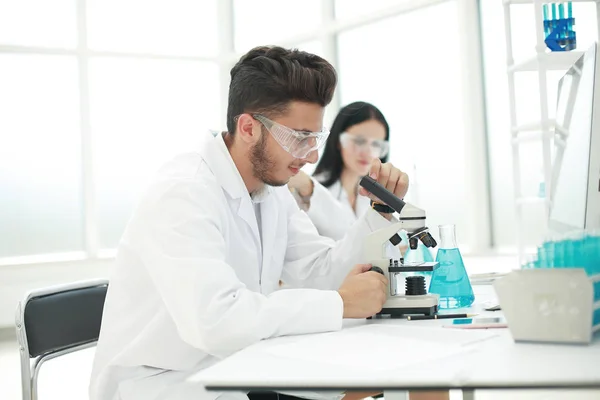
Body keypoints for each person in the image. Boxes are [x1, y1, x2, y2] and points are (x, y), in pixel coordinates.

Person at [89, 46, 409, 400]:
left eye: (315, 138)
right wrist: (339, 303)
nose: (313, 155)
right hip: (162, 384)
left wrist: (378, 212)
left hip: (236, 368)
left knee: (387, 375)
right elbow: (216, 321)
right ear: (248, 128)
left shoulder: (271, 191)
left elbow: (321, 271)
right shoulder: (184, 193)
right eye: (300, 137)